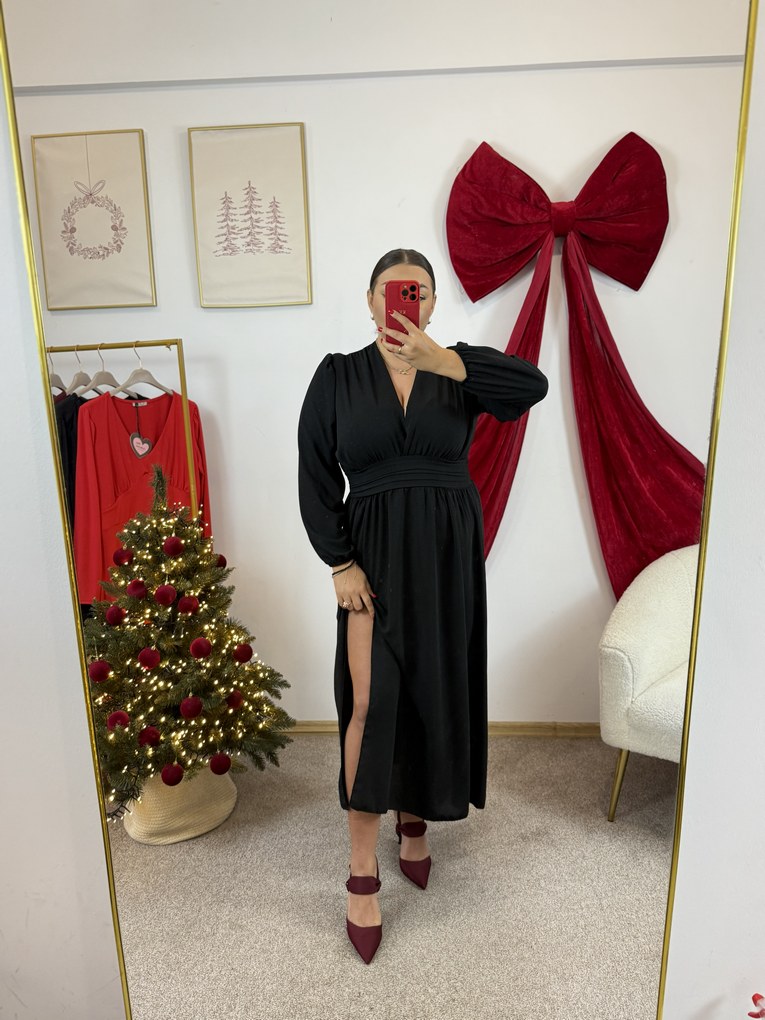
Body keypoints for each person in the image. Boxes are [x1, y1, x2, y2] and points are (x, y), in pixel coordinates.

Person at [298, 248, 548, 963]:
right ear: (370, 300)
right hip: (370, 558)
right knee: (371, 700)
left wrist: (448, 363)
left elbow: (531, 385)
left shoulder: (457, 366)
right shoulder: (337, 375)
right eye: (391, 289)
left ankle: (414, 821)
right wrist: (339, 562)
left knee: (431, 688)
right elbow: (314, 474)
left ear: (432, 304)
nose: (403, 300)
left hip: (444, 555)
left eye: (418, 291)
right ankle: (361, 869)